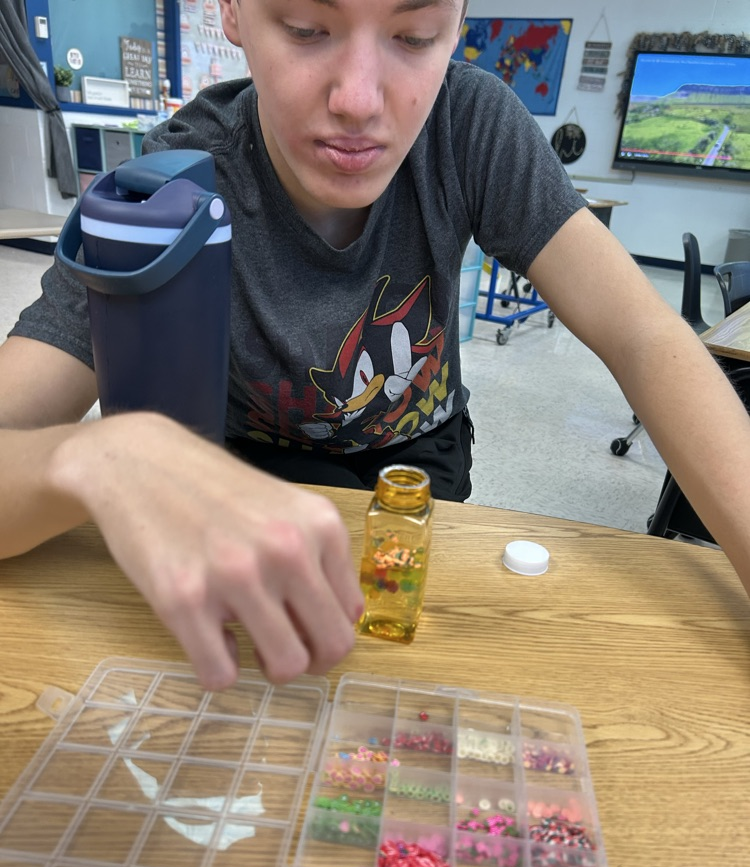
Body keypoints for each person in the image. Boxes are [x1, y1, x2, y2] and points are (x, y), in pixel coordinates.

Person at [2, 0, 750, 691]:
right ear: (232, 10)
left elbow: (645, 335)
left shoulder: (468, 127)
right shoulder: (169, 187)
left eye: (415, 36)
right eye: (303, 26)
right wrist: (97, 455)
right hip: (246, 479)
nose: (358, 100)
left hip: (416, 466)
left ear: (458, 24)